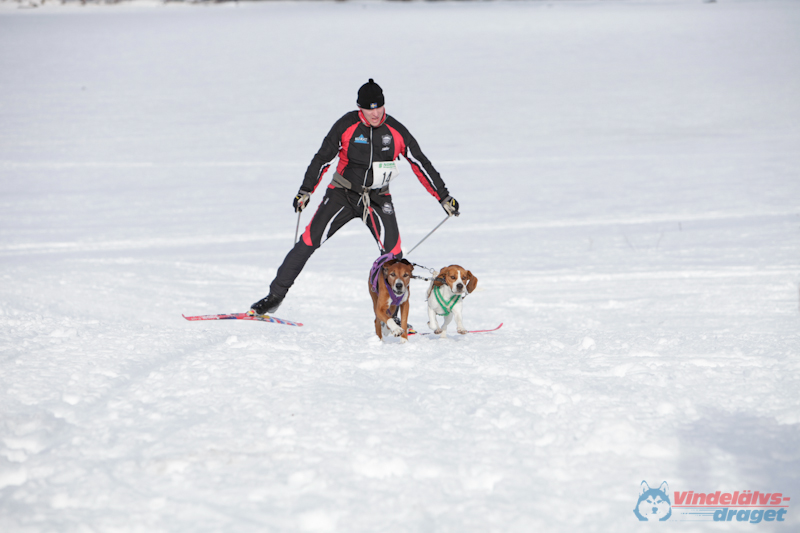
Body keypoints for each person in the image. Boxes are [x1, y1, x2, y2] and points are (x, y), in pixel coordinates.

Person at [251, 79, 459, 315]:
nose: (374, 113)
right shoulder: (346, 125)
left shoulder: (396, 131)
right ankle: (274, 296)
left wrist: (443, 197)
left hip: (378, 198)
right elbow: (322, 159)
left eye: (378, 107)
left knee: (395, 259)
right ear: (360, 108)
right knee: (307, 242)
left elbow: (421, 164)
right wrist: (306, 190)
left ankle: (392, 316)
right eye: (368, 108)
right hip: (343, 194)